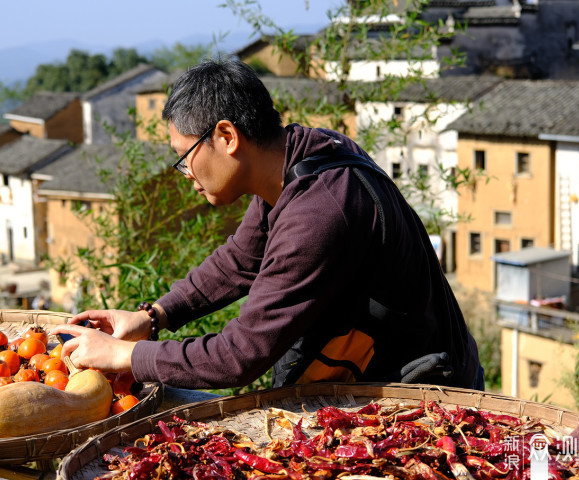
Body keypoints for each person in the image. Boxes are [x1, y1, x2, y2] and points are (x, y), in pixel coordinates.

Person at [51, 59, 482, 391]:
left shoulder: (320, 212)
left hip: (421, 395)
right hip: (378, 371)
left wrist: (129, 356)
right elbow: (240, 260)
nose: (185, 174)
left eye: (185, 158)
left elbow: (239, 355)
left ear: (227, 137)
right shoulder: (298, 160)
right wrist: (155, 316)